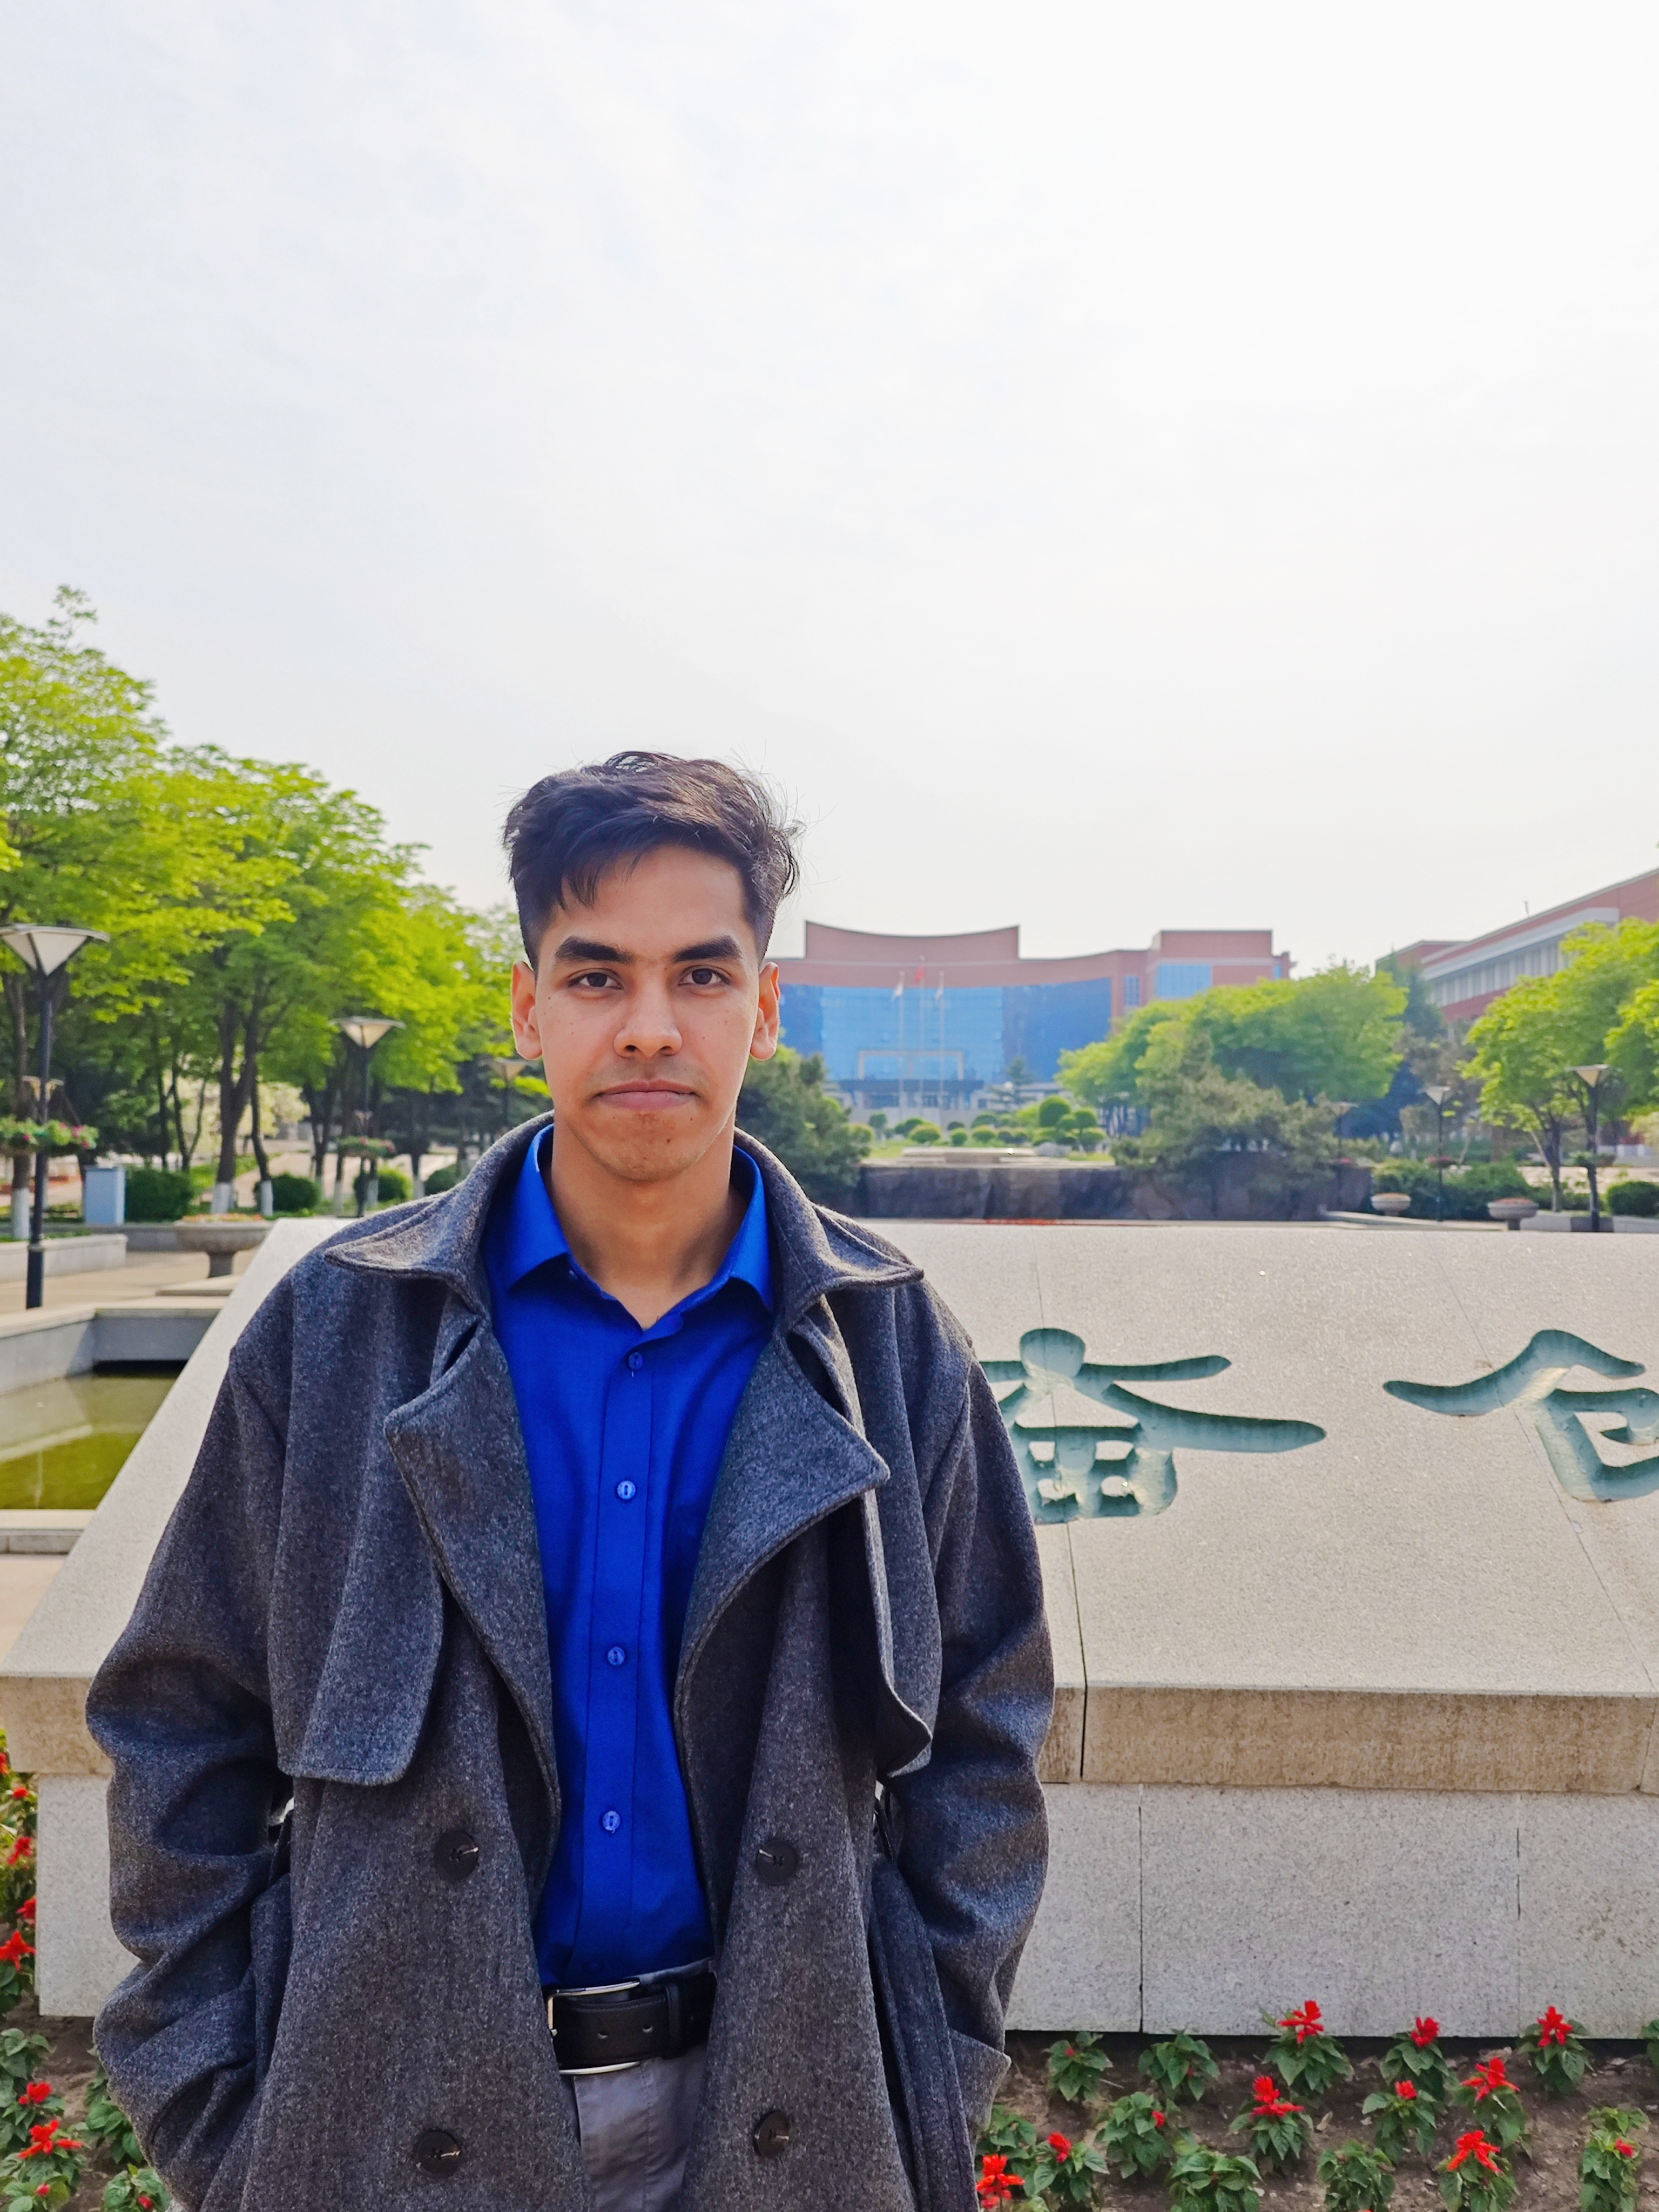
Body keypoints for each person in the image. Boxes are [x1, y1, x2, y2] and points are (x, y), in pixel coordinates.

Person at [88, 751, 1053, 2212]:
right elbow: (183, 1713)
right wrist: (217, 2097)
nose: (651, 1028)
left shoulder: (887, 1338)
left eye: (701, 976)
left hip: (782, 2116)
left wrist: (931, 2049)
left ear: (765, 1009)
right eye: (597, 977)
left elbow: (987, 1727)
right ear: (529, 1004)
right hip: (383, 2104)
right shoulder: (349, 1325)